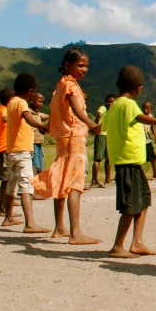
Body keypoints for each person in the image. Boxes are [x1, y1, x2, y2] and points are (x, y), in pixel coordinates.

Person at [103, 66, 156, 259]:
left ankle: (137, 242)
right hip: (127, 162)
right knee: (131, 205)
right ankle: (118, 246)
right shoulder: (128, 104)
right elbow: (140, 117)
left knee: (143, 200)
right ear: (139, 88)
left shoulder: (112, 108)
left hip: (131, 162)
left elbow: (99, 127)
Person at [34, 47, 102, 244]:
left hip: (63, 139)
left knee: (62, 182)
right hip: (74, 138)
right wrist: (92, 124)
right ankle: (75, 233)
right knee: (74, 184)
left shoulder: (59, 87)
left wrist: (48, 126)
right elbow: (75, 108)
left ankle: (59, 228)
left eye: (86, 66)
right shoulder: (71, 87)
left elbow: (58, 112)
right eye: (80, 65)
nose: (84, 69)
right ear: (67, 65)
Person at [1, 73, 50, 232]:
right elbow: (28, 118)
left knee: (12, 185)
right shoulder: (21, 103)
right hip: (22, 151)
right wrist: (41, 126)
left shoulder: (10, 103)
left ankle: (8, 217)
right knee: (27, 185)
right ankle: (30, 223)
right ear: (30, 91)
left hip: (12, 151)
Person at [91, 94, 114, 187]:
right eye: (108, 101)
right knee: (98, 158)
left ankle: (107, 179)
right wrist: (95, 127)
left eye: (112, 102)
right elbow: (98, 115)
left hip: (109, 135)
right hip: (101, 134)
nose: (110, 103)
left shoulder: (113, 111)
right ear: (105, 102)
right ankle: (94, 181)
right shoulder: (103, 108)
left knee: (109, 159)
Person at [142, 100, 156, 180]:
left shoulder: (151, 116)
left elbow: (153, 127)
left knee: (153, 158)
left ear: (150, 109)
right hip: (141, 141)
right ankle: (141, 175)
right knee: (140, 159)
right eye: (144, 108)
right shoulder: (140, 116)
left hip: (148, 141)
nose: (145, 109)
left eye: (147, 108)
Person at [30, 91, 49, 174]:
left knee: (40, 167)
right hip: (32, 143)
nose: (41, 103)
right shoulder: (28, 113)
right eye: (39, 101)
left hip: (39, 143)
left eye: (42, 102)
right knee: (35, 166)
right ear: (32, 100)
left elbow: (47, 117)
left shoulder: (38, 114)